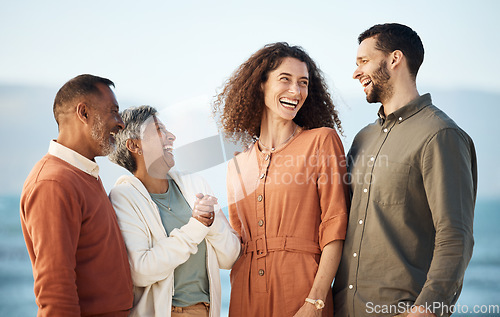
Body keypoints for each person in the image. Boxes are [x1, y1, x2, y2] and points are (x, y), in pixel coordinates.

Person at [332, 23, 477, 317]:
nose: (355, 72)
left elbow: (455, 236)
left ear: (395, 59)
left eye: (363, 62)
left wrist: (426, 310)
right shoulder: (363, 139)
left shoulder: (440, 134)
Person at [213, 42, 349, 316]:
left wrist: (316, 301)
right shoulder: (237, 164)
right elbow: (235, 245)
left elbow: (335, 227)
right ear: (260, 85)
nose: (295, 91)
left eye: (303, 83)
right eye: (285, 79)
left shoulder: (321, 141)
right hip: (245, 295)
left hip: (302, 291)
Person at [108, 105, 241, 317]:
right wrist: (197, 226)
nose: (171, 136)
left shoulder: (195, 183)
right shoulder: (123, 197)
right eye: (159, 130)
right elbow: (141, 271)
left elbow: (230, 258)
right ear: (135, 145)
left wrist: (211, 221)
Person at [19, 74, 133, 316]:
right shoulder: (54, 183)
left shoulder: (84, 173)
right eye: (113, 111)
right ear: (84, 113)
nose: (121, 123)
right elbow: (55, 290)